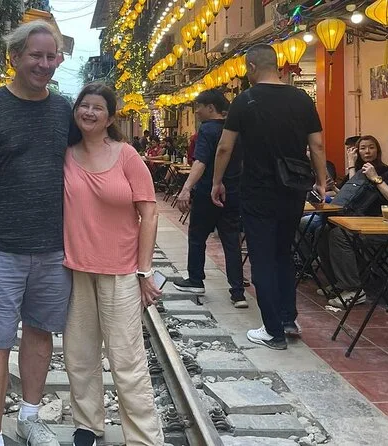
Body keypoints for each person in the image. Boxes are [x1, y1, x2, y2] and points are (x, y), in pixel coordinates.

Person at [0, 20, 72, 446]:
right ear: (14, 57)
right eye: (35, 56)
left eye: (51, 56)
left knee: (41, 333)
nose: (44, 64)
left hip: (53, 250)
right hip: (0, 250)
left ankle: (29, 416)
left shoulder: (63, 110)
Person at [62, 83, 163, 446]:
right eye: (83, 106)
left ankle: (144, 437)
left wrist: (144, 270)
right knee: (79, 355)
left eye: (97, 108)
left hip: (120, 271)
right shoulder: (65, 155)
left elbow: (149, 213)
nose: (89, 112)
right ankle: (87, 424)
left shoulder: (127, 156)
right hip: (76, 269)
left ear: (109, 118)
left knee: (126, 358)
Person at [211, 44, 326, 350]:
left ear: (251, 67)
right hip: (293, 189)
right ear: (276, 65)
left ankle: (273, 331)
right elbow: (317, 145)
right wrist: (322, 182)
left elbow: (225, 147)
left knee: (262, 256)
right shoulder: (302, 99)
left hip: (257, 189)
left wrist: (217, 181)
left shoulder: (245, 100)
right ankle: (288, 319)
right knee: (283, 253)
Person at [173, 89, 246, 308]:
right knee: (231, 241)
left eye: (199, 107)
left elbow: (201, 162)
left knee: (197, 236)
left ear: (211, 108)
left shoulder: (207, 129)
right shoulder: (236, 130)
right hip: (233, 192)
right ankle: (238, 292)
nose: (196, 112)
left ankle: (196, 280)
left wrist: (186, 188)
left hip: (208, 192)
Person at [316, 135, 388, 308]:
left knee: (339, 235)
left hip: (375, 222)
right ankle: (339, 282)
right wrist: (333, 187)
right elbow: (348, 195)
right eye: (363, 148)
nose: (367, 151)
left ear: (378, 150)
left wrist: (354, 166)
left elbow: (359, 197)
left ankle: (353, 289)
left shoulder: (382, 170)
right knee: (323, 230)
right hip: (354, 217)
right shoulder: (361, 170)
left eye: (371, 147)